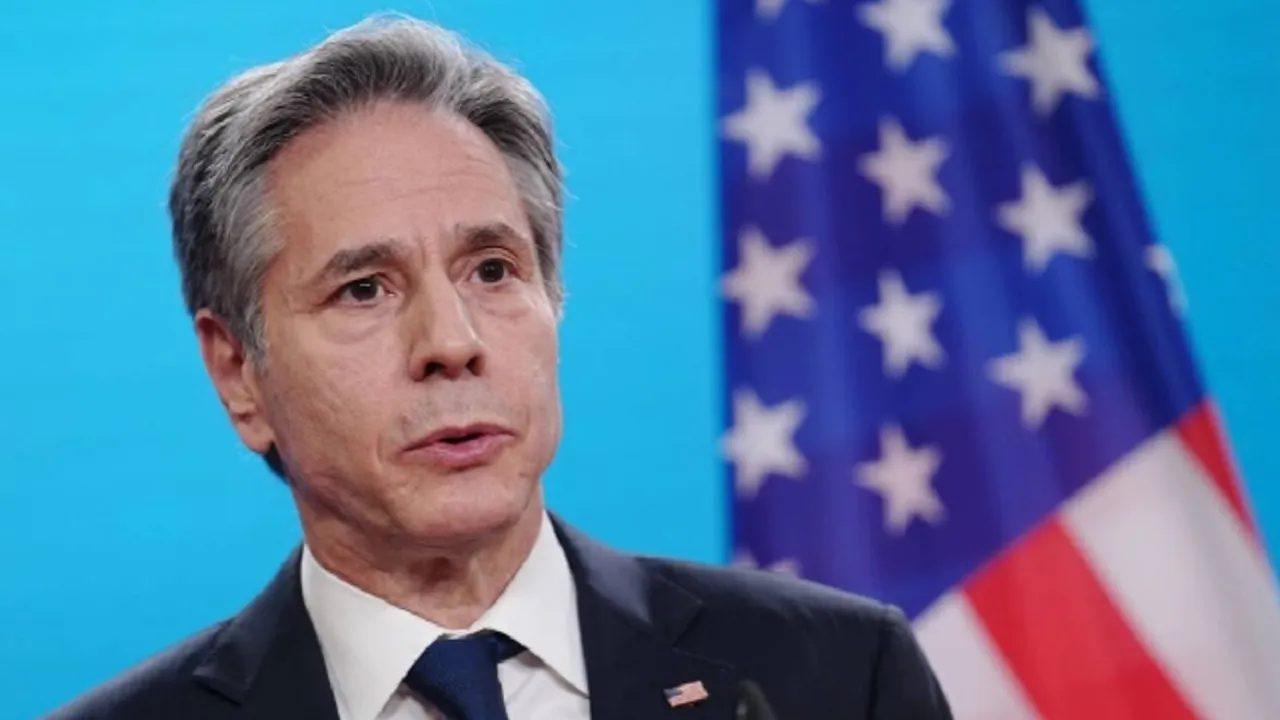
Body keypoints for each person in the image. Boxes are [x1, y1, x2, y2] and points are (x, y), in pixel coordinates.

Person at [45, 14, 952, 720]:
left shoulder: (834, 676)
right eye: (364, 289)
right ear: (238, 372)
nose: (452, 341)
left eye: (491, 270)